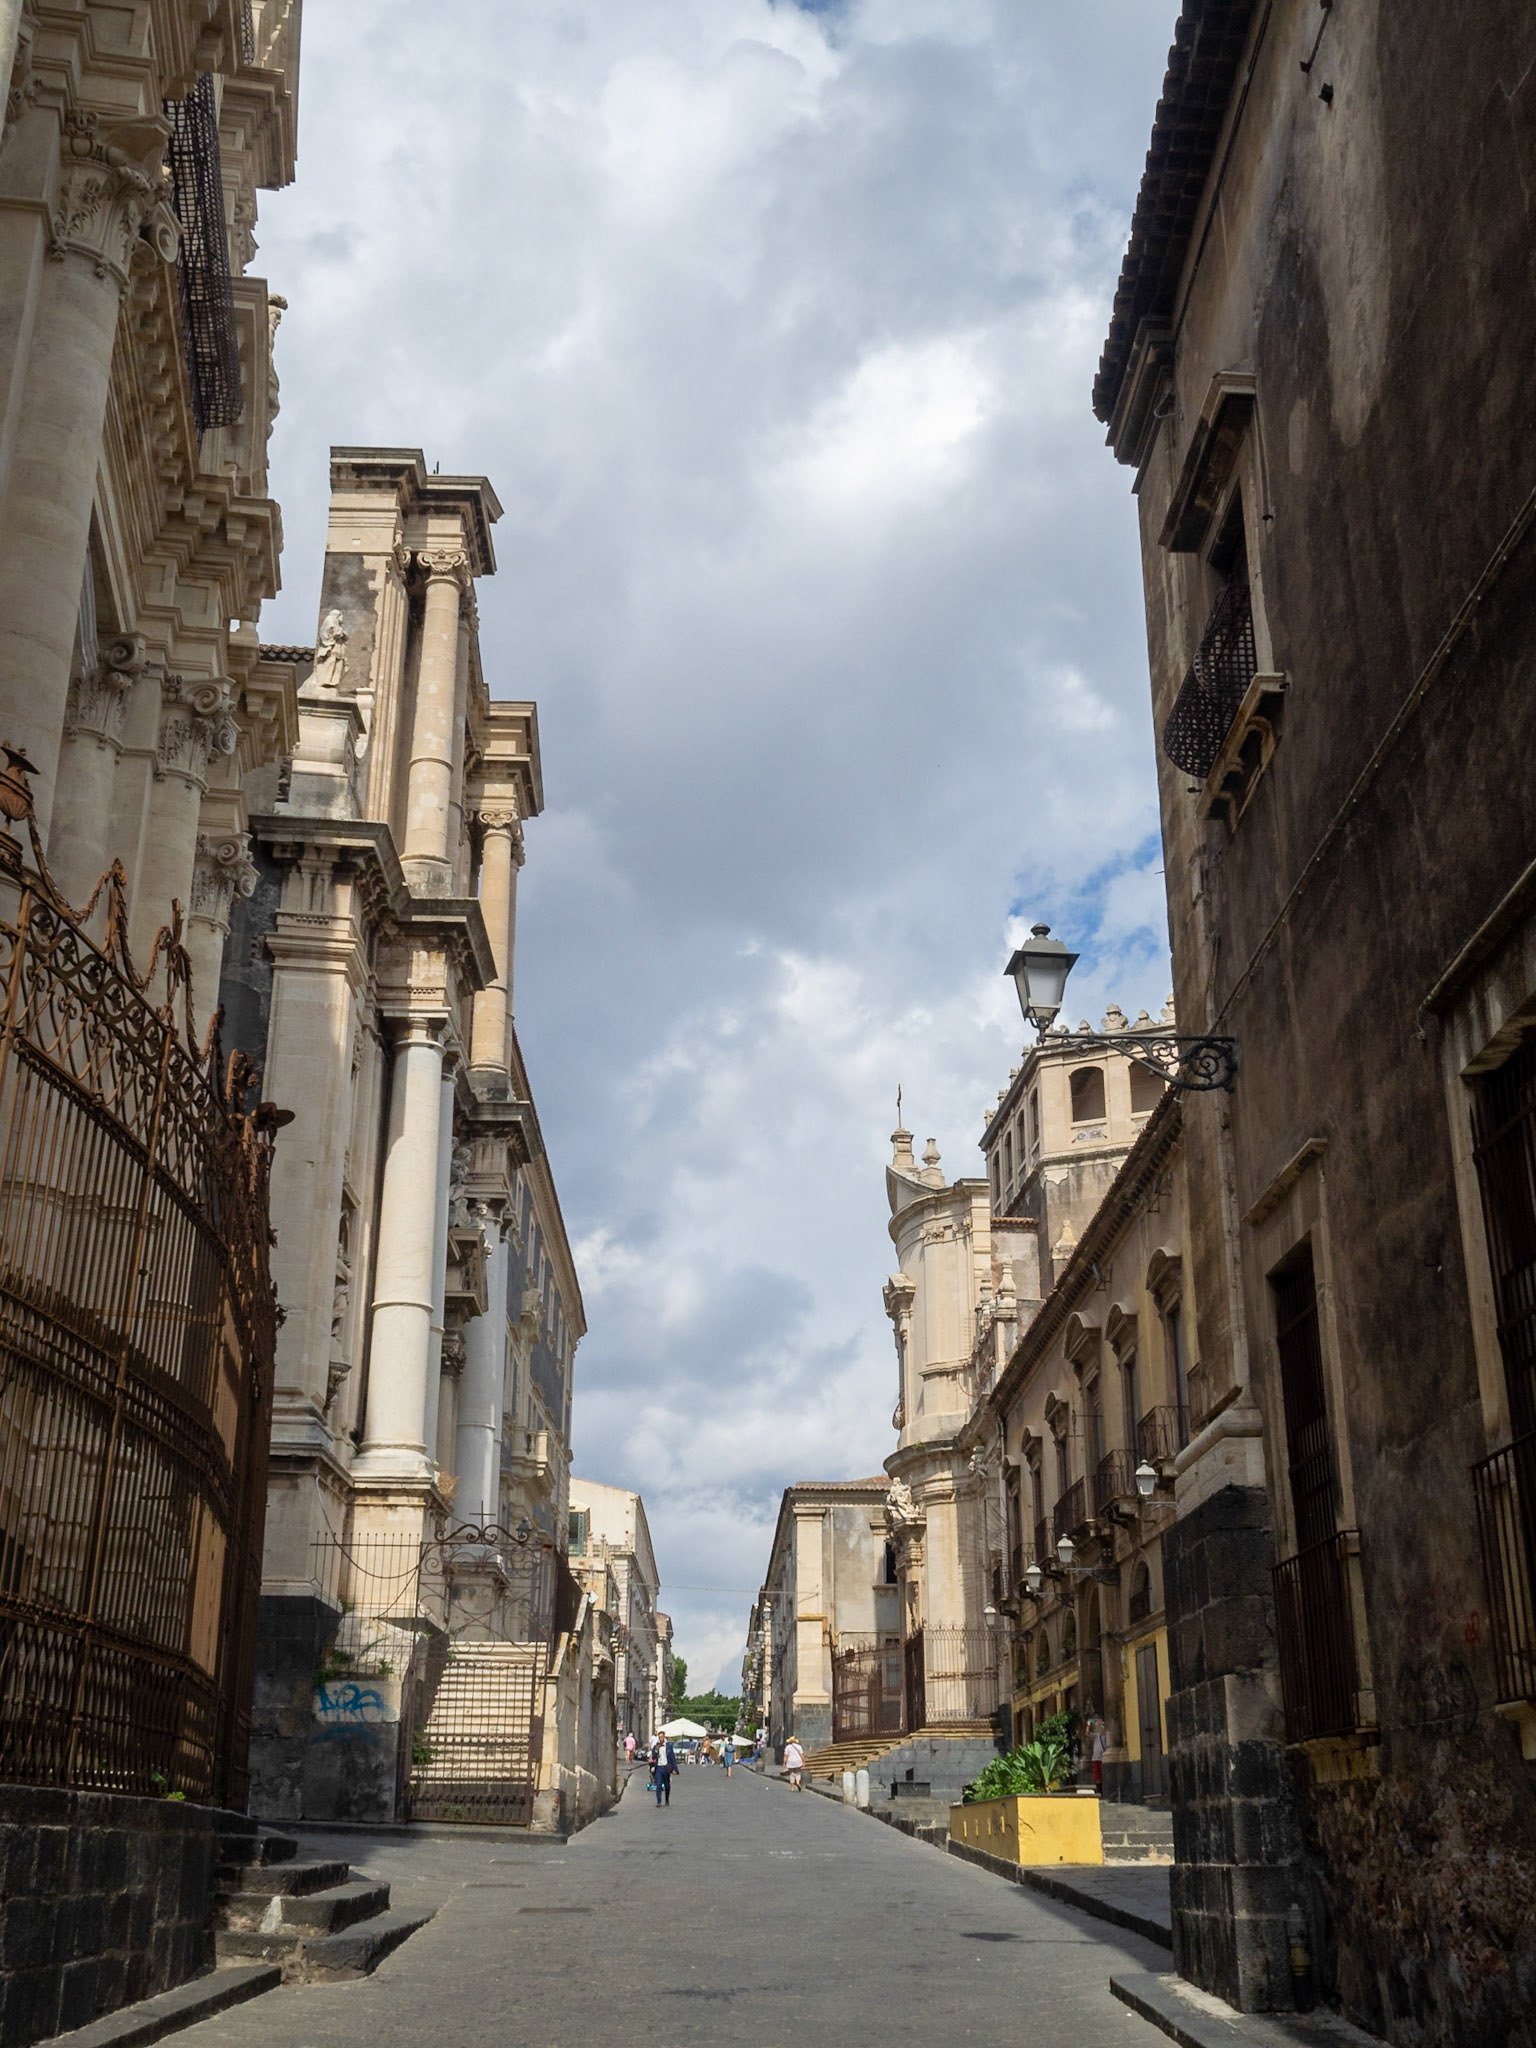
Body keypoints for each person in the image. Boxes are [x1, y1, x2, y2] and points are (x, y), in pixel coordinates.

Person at [654, 1735, 678, 1806]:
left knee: (667, 1785)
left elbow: (672, 1758)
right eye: (659, 1737)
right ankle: (659, 1801)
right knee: (658, 1785)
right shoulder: (656, 1746)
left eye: (661, 1737)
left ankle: (667, 1799)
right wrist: (656, 1750)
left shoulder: (668, 1746)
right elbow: (653, 1756)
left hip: (666, 1768)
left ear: (664, 1738)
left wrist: (674, 1769)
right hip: (659, 1768)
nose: (660, 1738)